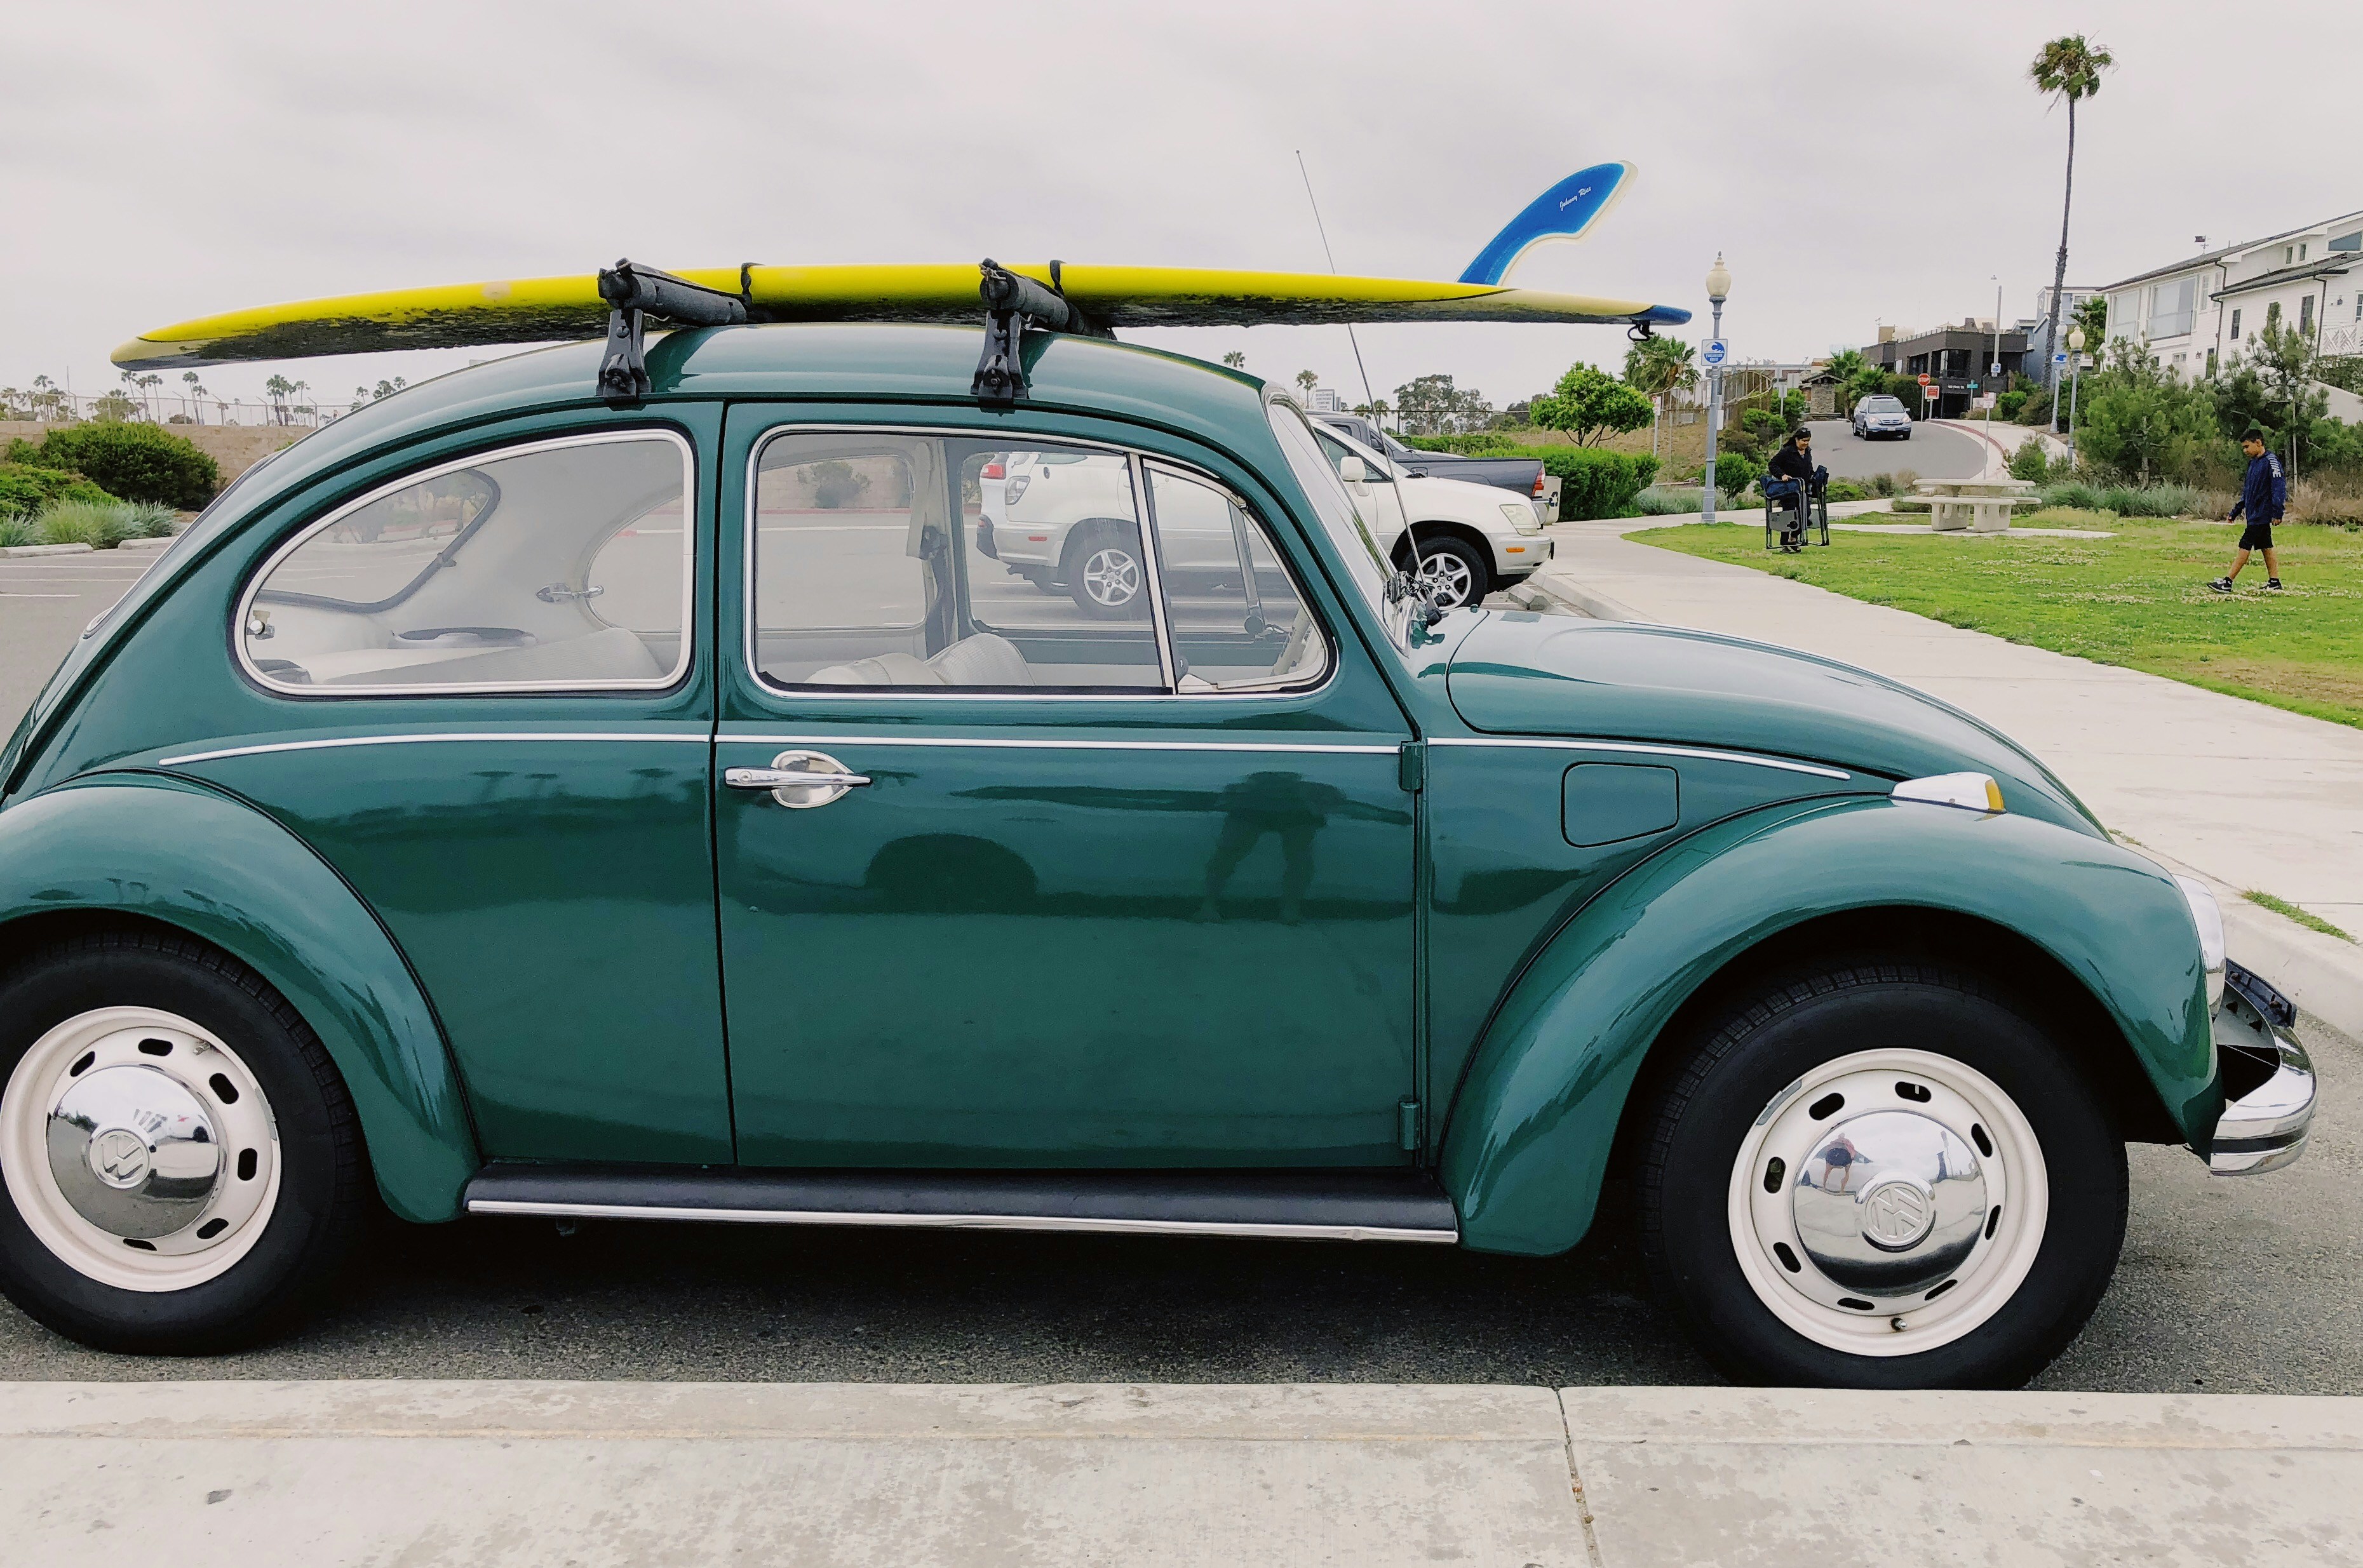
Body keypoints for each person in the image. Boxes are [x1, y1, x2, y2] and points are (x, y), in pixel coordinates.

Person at [2209, 426, 2285, 594]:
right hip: (2253, 513)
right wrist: (2236, 510)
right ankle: (2275, 582)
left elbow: (2279, 488)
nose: (2245, 450)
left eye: (2246, 446)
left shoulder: (2271, 462)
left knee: (2245, 545)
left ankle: (2227, 582)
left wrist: (2277, 512)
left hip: (2262, 513)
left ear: (2258, 443)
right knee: (2266, 545)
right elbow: (2248, 491)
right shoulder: (2253, 464)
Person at [1765, 429, 1826, 553]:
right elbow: (1773, 464)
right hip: (1788, 489)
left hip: (1802, 489)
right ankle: (1785, 543)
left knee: (1806, 513)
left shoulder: (1808, 452)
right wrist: (1782, 475)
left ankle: (1794, 538)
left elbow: (1809, 467)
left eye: (1808, 441)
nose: (1806, 443)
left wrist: (1814, 477)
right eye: (1804, 440)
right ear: (1797, 440)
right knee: (1789, 515)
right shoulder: (1787, 452)